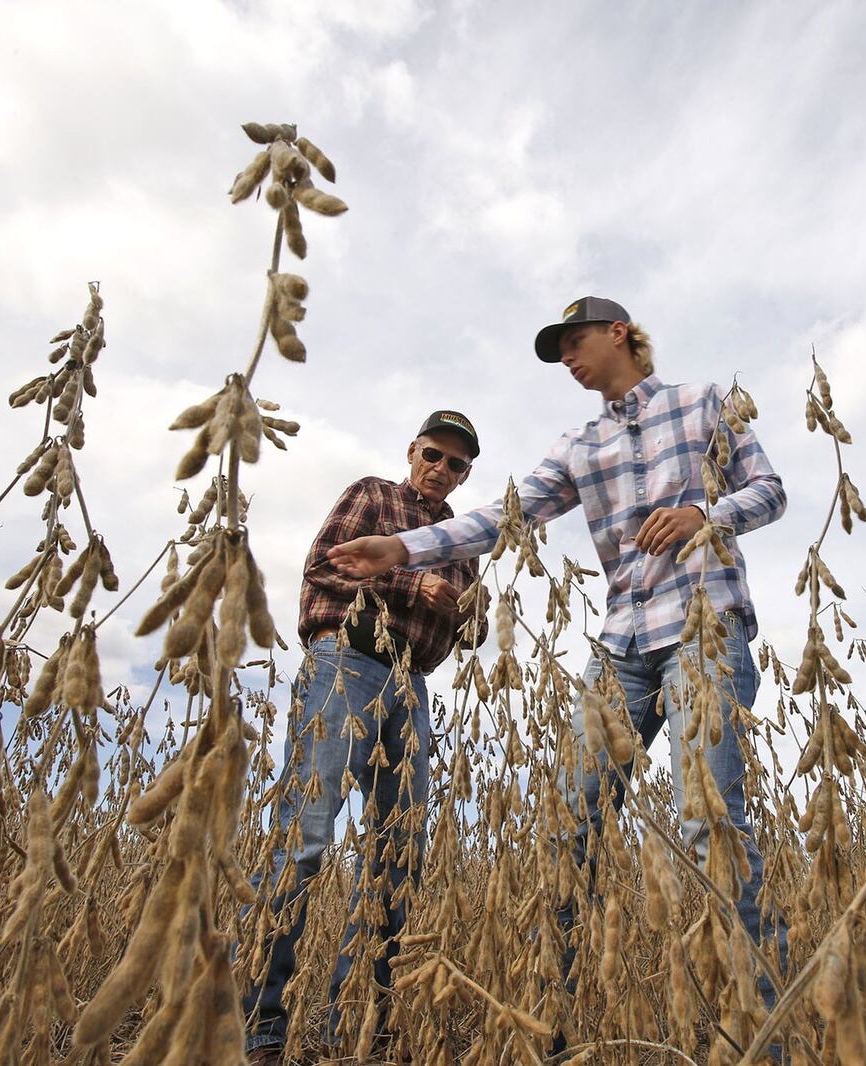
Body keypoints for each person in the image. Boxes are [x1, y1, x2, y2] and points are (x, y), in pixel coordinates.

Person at [328, 297, 790, 1044]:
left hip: (707, 630)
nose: (567, 360)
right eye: (559, 351)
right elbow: (502, 518)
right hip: (621, 649)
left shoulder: (706, 404)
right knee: (568, 832)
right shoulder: (578, 445)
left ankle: (762, 1040)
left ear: (618, 334)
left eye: (574, 343)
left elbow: (770, 491)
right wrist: (405, 549)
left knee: (712, 827)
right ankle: (549, 1036)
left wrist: (708, 515)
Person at [242, 411, 486, 1065]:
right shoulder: (374, 496)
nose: (442, 470)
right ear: (413, 451)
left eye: (457, 464)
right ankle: (261, 1028)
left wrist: (470, 609)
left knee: (396, 856)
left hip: (413, 684)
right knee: (307, 833)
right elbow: (326, 565)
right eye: (434, 454)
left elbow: (473, 629)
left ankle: (358, 1029)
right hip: (345, 661)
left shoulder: (464, 543)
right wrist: (413, 583)